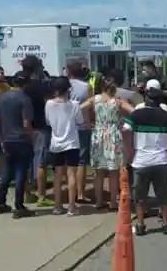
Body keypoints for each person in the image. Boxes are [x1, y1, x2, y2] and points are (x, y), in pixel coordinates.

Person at [123, 85, 167, 236]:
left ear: (146, 98)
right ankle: (165, 223)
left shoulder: (136, 115)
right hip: (161, 161)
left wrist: (130, 149)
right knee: (163, 195)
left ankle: (141, 225)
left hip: (141, 161)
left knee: (140, 196)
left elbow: (125, 129)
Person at [80, 68, 134, 210]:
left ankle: (99, 202)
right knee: (113, 171)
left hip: (98, 134)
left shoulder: (94, 100)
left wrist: (86, 122)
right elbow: (134, 112)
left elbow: (79, 109)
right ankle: (113, 202)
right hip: (113, 135)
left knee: (98, 171)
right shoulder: (118, 101)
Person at [0, 72, 35, 219]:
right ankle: (19, 205)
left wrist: (1, 138)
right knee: (21, 173)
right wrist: (32, 136)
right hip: (22, 139)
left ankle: (1, 203)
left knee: (7, 172)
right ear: (26, 84)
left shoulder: (2, 97)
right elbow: (26, 123)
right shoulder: (25, 99)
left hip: (7, 139)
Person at [20, 55, 55, 207]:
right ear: (36, 68)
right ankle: (42, 195)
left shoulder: (20, 86)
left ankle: (27, 193)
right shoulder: (42, 86)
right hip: (40, 127)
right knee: (41, 162)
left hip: (22, 127)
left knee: (25, 162)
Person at [45, 76, 82, 216]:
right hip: (72, 143)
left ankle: (57, 206)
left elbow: (48, 122)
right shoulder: (74, 105)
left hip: (56, 143)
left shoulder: (49, 104)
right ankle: (71, 206)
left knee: (57, 176)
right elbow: (80, 121)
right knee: (71, 174)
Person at [65, 58, 94, 205]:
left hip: (66, 126)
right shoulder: (86, 86)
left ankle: (70, 191)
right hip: (83, 126)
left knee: (69, 160)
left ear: (68, 70)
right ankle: (81, 193)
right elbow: (92, 106)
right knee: (82, 160)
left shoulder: (64, 86)